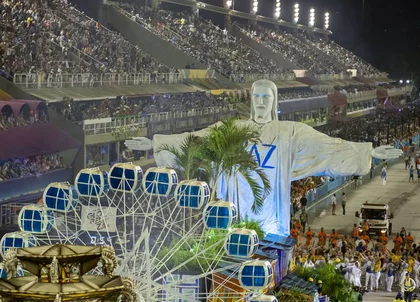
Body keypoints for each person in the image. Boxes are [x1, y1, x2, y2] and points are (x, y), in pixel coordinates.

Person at [126, 79, 402, 236]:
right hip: (230, 221)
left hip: (271, 224)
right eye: (256, 96)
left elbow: (328, 146)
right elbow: (196, 140)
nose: (260, 101)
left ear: (273, 102)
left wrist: (369, 151)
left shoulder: (288, 132)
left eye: (265, 97)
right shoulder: (232, 130)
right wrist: (154, 144)